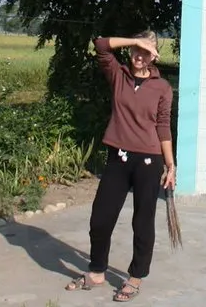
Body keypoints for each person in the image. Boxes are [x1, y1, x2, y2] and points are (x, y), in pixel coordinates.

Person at [66, 31, 175, 303]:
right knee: (100, 218)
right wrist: (133, 41)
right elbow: (100, 45)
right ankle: (96, 272)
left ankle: (136, 277)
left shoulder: (162, 87)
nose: (140, 56)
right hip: (119, 157)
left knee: (142, 221)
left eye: (146, 52)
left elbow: (163, 126)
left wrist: (170, 165)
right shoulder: (119, 75)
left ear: (154, 56)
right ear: (131, 50)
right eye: (137, 50)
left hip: (149, 162)